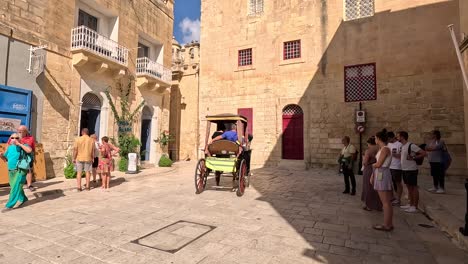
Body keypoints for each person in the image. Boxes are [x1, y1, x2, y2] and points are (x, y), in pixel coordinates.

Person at [0, 133, 33, 211]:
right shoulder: (10, 147)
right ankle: (23, 198)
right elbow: (5, 159)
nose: (14, 139)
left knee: (15, 188)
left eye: (16, 137)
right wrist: (1, 155)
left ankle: (9, 205)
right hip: (11, 171)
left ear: (20, 139)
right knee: (16, 186)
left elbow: (29, 150)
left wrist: (19, 144)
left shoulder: (24, 146)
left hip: (20, 170)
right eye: (12, 138)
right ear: (10, 139)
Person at [398, 131, 426, 213]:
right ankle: (410, 204)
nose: (397, 138)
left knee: (413, 187)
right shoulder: (402, 146)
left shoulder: (411, 145)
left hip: (411, 169)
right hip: (405, 169)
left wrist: (414, 157)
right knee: (409, 187)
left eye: (398, 136)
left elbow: (424, 153)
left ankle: (414, 206)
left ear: (402, 137)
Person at [371, 129, 394, 231]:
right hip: (380, 173)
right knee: (386, 201)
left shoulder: (385, 149)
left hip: (382, 173)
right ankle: (388, 223)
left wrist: (372, 165)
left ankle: (387, 225)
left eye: (375, 138)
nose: (375, 140)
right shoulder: (383, 149)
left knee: (385, 202)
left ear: (379, 138)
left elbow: (379, 164)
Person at [361, 136, 382, 211]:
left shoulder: (369, 150)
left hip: (369, 168)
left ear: (369, 143)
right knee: (377, 187)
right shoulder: (379, 149)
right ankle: (378, 205)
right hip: (378, 169)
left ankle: (369, 205)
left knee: (368, 186)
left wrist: (363, 160)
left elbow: (365, 162)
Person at [17, 125, 36, 192]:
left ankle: (29, 185)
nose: (19, 132)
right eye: (18, 131)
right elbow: (9, 145)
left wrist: (34, 157)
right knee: (17, 171)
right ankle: (17, 185)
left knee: (29, 170)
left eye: (21, 131)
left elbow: (33, 148)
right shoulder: (14, 137)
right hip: (18, 157)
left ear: (25, 132)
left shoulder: (30, 138)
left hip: (28, 157)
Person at [387, 131, 403, 206]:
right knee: (390, 183)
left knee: (398, 183)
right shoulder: (389, 144)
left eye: (389, 138)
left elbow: (401, 156)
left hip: (397, 167)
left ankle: (398, 199)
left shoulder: (399, 144)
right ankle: (392, 197)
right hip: (389, 166)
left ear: (392, 137)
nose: (388, 140)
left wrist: (394, 155)